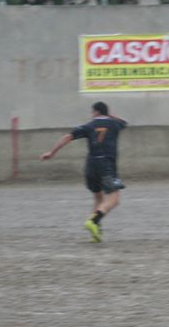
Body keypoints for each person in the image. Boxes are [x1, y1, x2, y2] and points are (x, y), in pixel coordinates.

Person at [41, 101, 127, 242]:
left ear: (96, 112)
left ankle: (95, 233)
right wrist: (109, 115)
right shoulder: (114, 124)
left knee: (98, 198)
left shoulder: (89, 126)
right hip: (107, 165)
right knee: (114, 199)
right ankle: (93, 221)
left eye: (92, 112)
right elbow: (124, 121)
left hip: (91, 166)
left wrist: (51, 152)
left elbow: (67, 137)